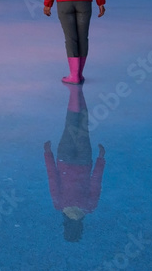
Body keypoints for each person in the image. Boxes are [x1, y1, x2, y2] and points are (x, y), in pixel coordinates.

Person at [44, 85, 106, 242]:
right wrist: (48, 154)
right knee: (70, 123)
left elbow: (96, 182)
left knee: (83, 124)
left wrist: (101, 159)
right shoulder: (58, 204)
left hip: (83, 160)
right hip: (64, 158)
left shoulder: (90, 207)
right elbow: (52, 178)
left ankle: (78, 92)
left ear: (80, 227)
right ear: (65, 225)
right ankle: (76, 92)